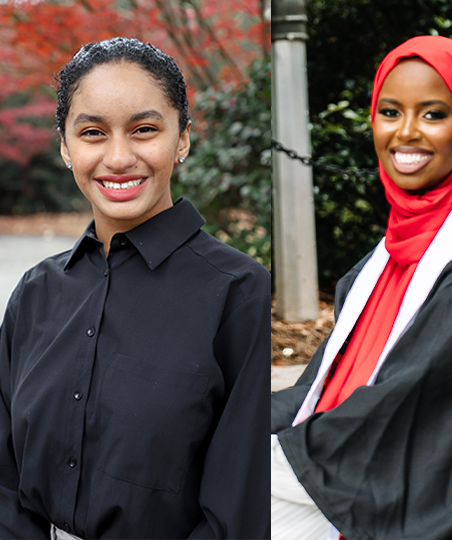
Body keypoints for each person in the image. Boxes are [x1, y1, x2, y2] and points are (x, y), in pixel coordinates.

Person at [271, 35, 452, 540]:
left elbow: (414, 407)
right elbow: (320, 389)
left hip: (422, 504)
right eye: (390, 112)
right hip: (345, 466)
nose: (406, 132)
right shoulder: (383, 259)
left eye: (433, 114)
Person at [0, 37, 272, 538]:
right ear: (65, 146)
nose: (119, 157)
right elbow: (4, 478)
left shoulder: (237, 292)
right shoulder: (35, 293)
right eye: (93, 133)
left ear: (183, 138)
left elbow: (238, 505)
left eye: (144, 130)